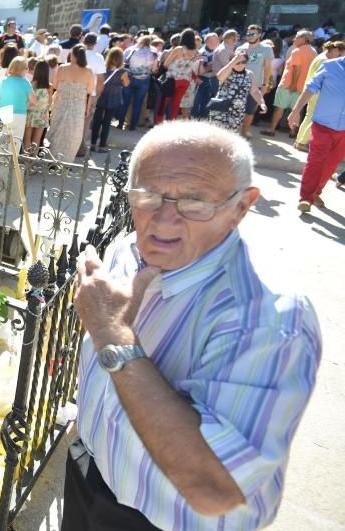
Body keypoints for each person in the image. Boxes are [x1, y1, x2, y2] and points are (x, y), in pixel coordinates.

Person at [66, 121, 321, 531]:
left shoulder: (270, 318)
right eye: (148, 195)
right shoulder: (125, 250)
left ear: (241, 206)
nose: (164, 220)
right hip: (89, 472)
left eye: (195, 202)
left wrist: (112, 335)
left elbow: (214, 487)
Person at [288, 56, 345, 212]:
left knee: (331, 164)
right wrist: (296, 111)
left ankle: (315, 191)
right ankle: (305, 198)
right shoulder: (330, 66)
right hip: (323, 125)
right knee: (316, 160)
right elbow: (310, 88)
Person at [265, 30, 318, 137]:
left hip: (288, 85)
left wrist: (293, 85)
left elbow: (297, 69)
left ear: (303, 39)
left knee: (279, 109)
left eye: (297, 37)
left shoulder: (297, 51)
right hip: (303, 87)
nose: (294, 39)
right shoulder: (314, 52)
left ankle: (271, 129)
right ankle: (293, 131)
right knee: (298, 110)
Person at [294, 41, 343, 150]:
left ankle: (299, 141)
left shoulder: (320, 57)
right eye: (339, 53)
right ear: (334, 50)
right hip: (317, 93)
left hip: (313, 92)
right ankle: (302, 143)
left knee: (308, 117)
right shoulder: (325, 61)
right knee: (313, 118)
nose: (339, 56)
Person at [48, 45, 94, 161]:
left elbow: (55, 85)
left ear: (73, 55)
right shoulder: (88, 71)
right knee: (73, 134)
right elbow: (89, 91)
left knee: (58, 131)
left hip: (61, 104)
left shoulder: (62, 68)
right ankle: (67, 161)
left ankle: (53, 159)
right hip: (78, 107)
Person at [210, 49, 267, 134]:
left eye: (243, 62)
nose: (240, 64)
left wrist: (261, 103)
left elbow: (255, 91)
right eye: (237, 62)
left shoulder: (249, 74)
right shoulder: (228, 70)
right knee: (216, 134)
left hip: (237, 111)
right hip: (221, 108)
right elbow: (220, 77)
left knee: (230, 135)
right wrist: (234, 61)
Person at [90, 47, 129, 153]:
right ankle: (102, 146)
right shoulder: (123, 72)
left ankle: (93, 144)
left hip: (100, 96)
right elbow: (126, 84)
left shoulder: (102, 68)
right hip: (114, 98)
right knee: (107, 123)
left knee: (97, 121)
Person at [237, 25, 273, 137]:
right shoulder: (241, 48)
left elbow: (268, 68)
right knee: (236, 109)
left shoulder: (266, 49)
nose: (250, 36)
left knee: (250, 110)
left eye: (253, 34)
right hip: (239, 83)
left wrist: (265, 84)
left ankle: (244, 132)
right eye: (248, 34)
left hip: (256, 84)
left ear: (260, 35)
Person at [157, 29, 199, 124]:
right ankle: (172, 125)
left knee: (164, 102)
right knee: (176, 104)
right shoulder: (195, 51)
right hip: (186, 80)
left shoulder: (178, 49)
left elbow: (166, 64)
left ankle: (158, 124)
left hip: (173, 79)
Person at [118, 35, 157, 131]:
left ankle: (120, 123)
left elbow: (122, 63)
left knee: (125, 102)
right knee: (138, 103)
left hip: (129, 78)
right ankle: (133, 125)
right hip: (144, 80)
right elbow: (154, 69)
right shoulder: (153, 53)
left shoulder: (130, 49)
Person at [23, 61, 51, 154]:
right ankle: (33, 162)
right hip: (42, 115)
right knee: (36, 141)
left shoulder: (31, 84)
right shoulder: (49, 87)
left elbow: (27, 100)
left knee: (27, 139)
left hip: (30, 114)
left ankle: (26, 160)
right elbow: (49, 103)